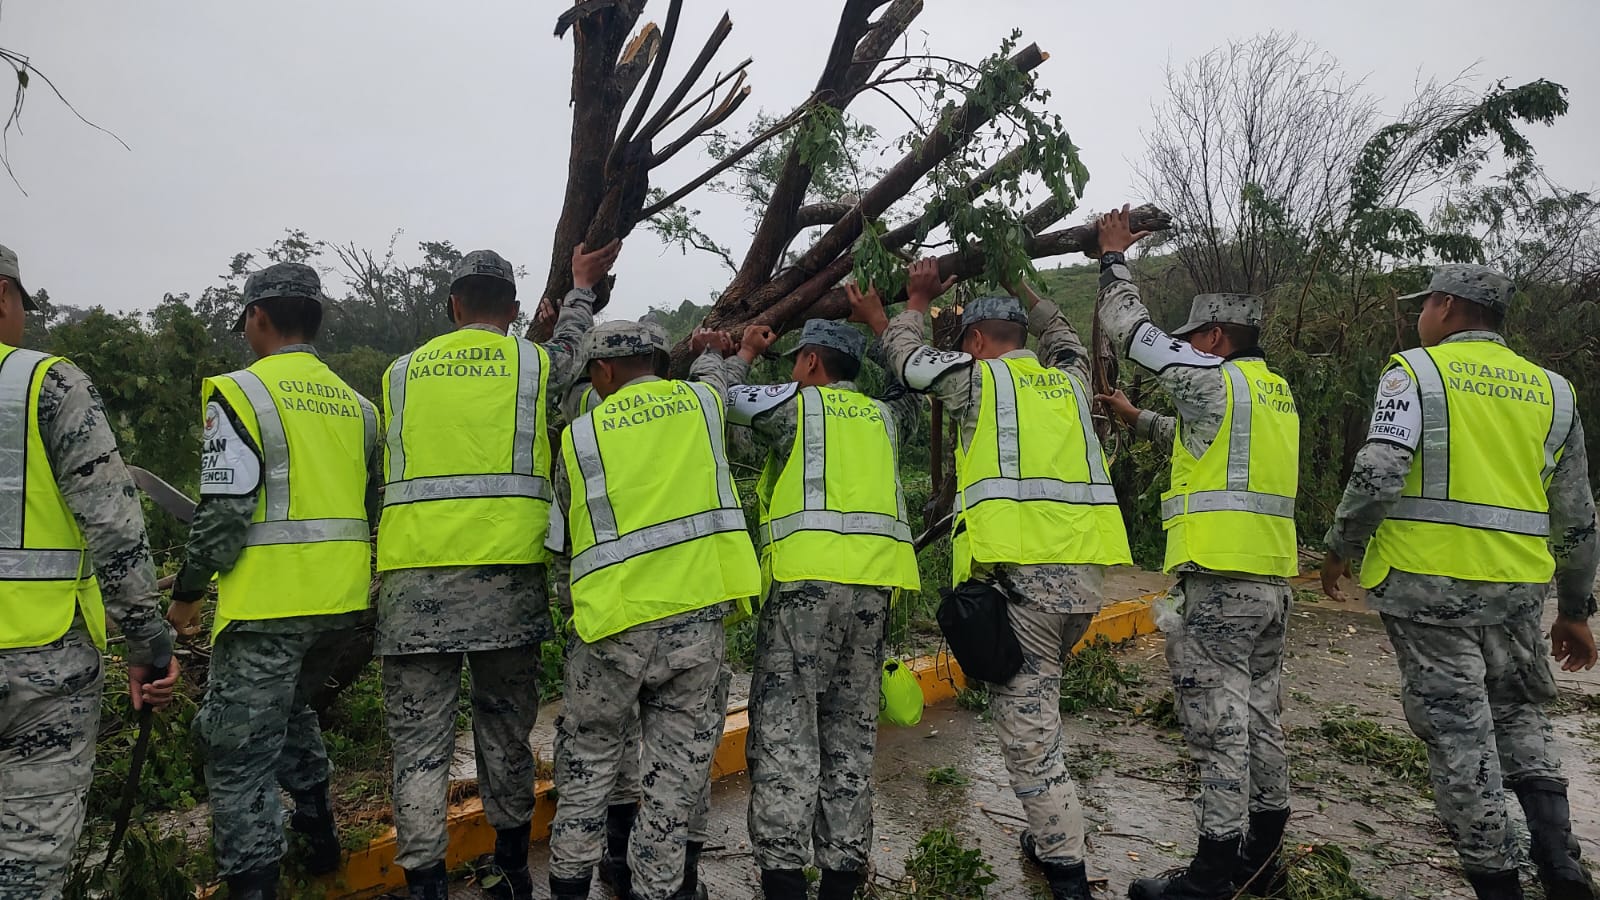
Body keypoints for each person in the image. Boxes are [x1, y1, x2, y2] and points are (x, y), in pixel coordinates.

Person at [1323, 264, 1599, 900]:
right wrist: (1577, 609)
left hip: (1427, 591)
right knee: (1523, 718)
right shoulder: (1554, 392)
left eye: (1425, 305)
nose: (1419, 316)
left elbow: (1378, 475)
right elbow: (1578, 516)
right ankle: (1561, 868)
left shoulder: (1415, 373)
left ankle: (1498, 885)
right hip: (1518, 596)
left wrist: (1341, 548)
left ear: (1446, 306)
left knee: (1460, 741)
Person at [860, 258, 1133, 900]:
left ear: (977, 343)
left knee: (1031, 744)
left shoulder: (979, 382)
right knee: (1042, 707)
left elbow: (905, 358)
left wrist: (905, 305)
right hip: (1081, 588)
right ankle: (1047, 842)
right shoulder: (1067, 380)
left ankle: (1069, 876)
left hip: (1023, 591)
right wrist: (1021, 282)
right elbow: (1064, 334)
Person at [375, 241, 616, 899]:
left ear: (453, 305)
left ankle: (426, 884)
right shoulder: (536, 365)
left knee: (421, 748)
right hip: (507, 585)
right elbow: (574, 351)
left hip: (411, 585)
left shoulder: (399, 374)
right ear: (513, 310)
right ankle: (510, 871)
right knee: (506, 731)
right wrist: (582, 287)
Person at [1090, 206, 1299, 900]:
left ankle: (1209, 878)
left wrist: (1114, 257)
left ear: (1213, 336)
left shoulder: (1212, 377)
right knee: (1263, 719)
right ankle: (1263, 862)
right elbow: (1206, 443)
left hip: (1218, 585)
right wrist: (1136, 418)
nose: (1187, 349)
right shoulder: (1272, 392)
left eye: (1193, 339)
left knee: (1218, 730)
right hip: (1270, 585)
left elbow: (1130, 329)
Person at [168, 262, 380, 900]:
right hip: (342, 607)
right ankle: (319, 840)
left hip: (268, 608)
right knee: (291, 712)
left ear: (258, 318)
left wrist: (186, 594)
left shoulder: (238, 392)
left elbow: (225, 510)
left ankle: (255, 886)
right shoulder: (360, 407)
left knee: (237, 759)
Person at [693, 313, 922, 900]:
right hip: (874, 592)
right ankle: (843, 879)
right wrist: (886, 322)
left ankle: (785, 879)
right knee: (849, 735)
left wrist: (737, 352)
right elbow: (907, 392)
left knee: (786, 735)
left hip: (805, 592)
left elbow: (716, 407)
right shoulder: (885, 418)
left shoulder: (796, 407)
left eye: (797, 359)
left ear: (812, 363)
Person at [544, 320, 760, 900]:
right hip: (693, 625)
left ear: (604, 371)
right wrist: (724, 348)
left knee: (587, 768)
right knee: (672, 782)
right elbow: (718, 374)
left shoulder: (579, 438)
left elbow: (566, 531)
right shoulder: (699, 404)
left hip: (610, 626)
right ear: (660, 362)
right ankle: (656, 890)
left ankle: (569, 886)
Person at [0, 244, 180, 900]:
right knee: (29, 861)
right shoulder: (46, 383)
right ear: (2, 296)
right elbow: (114, 525)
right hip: (38, 665)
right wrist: (148, 644)